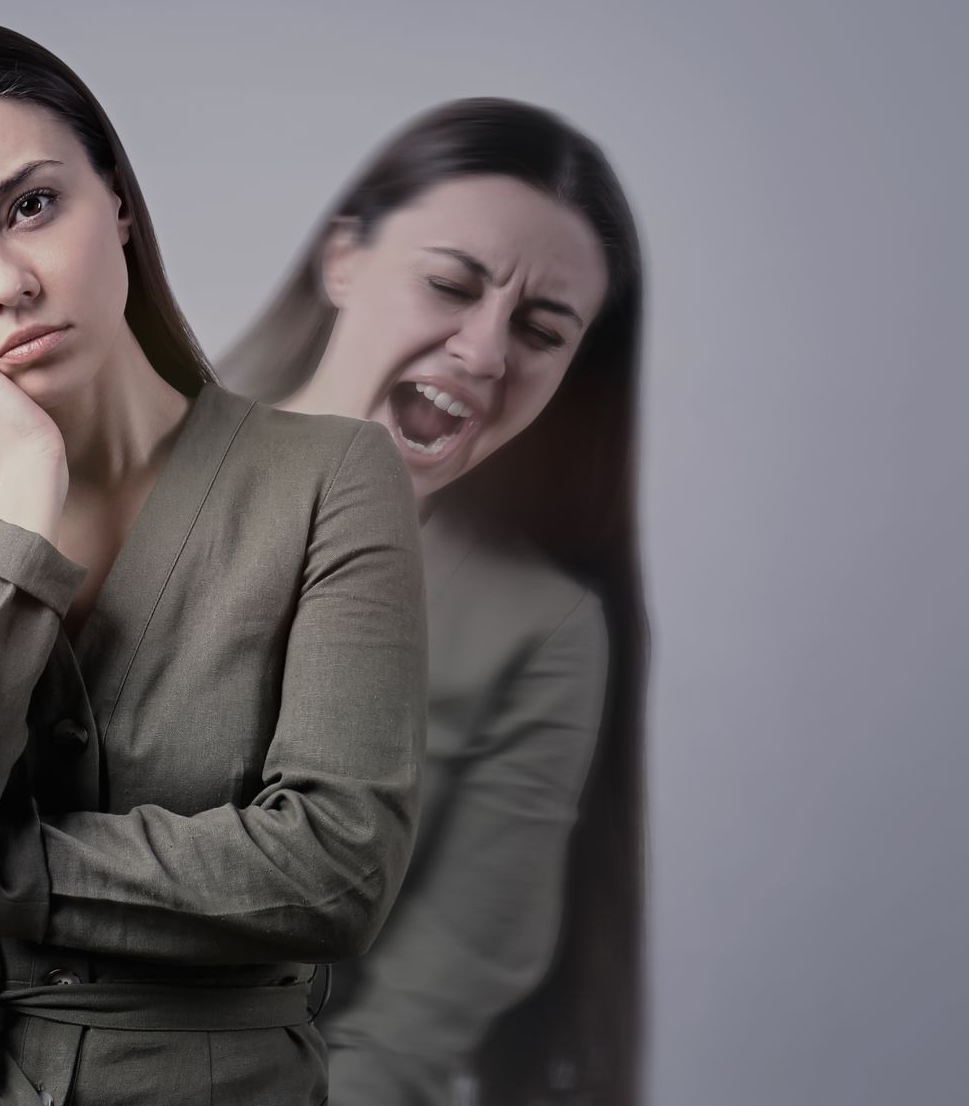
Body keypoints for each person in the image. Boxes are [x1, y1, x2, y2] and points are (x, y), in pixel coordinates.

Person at [0, 21, 428, 1106]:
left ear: (113, 196)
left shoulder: (331, 476)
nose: (7, 281)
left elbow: (336, 872)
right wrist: (28, 480)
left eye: (31, 205)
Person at [222, 97, 649, 1106]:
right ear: (344, 258)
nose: (487, 351)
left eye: (543, 330)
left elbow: (431, 996)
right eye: (451, 284)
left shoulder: (536, 628)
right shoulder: (95, 471)